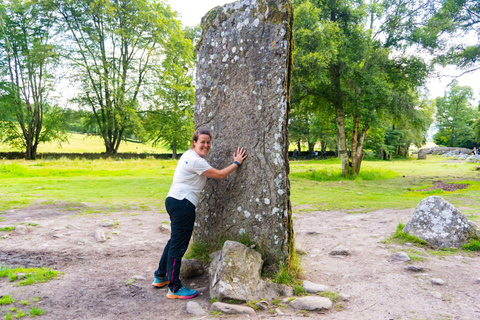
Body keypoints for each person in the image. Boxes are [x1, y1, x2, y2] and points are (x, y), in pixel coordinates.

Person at [152, 128, 247, 300]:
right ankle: (174, 287)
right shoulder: (196, 161)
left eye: (208, 142)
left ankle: (161, 276)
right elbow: (219, 175)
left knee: (174, 240)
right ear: (194, 142)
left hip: (174, 200)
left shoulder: (188, 155)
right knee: (179, 245)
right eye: (202, 141)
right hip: (183, 204)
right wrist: (237, 163)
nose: (206, 145)